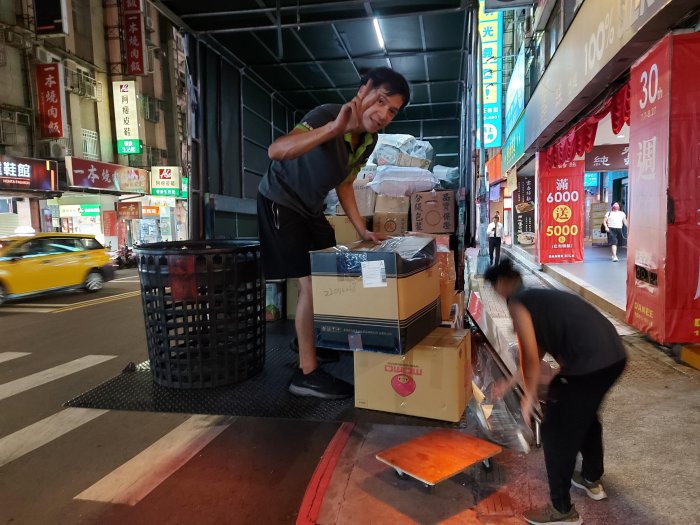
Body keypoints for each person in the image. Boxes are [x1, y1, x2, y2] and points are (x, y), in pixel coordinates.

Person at [257, 67, 410, 400]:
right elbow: (277, 150)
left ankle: (308, 341)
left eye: (392, 111)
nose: (383, 114)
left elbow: (345, 183)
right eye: (380, 101)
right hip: (280, 200)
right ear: (363, 90)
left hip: (310, 209)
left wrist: (362, 229)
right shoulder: (326, 115)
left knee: (329, 275)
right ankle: (306, 374)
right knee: (311, 284)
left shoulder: (368, 140)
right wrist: (332, 129)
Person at [484, 259, 627, 525]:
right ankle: (591, 478)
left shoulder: (519, 303)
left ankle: (562, 509)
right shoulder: (539, 298)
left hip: (588, 365)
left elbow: (529, 358)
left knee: (556, 431)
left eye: (495, 287)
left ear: (502, 283)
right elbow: (535, 352)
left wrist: (528, 397)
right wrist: (512, 382)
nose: (497, 294)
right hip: (614, 357)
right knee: (585, 415)